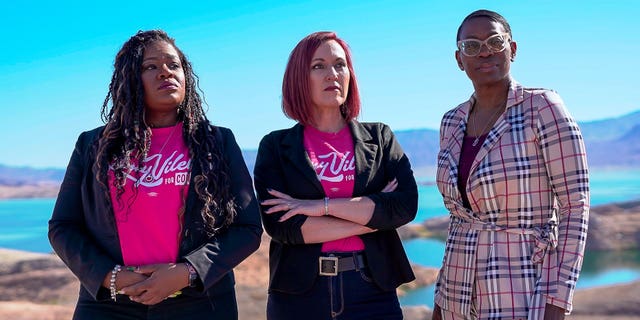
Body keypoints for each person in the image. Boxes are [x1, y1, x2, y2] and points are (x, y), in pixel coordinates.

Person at [48, 30, 262, 320]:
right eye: (151, 66)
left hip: (200, 303)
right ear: (130, 80)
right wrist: (111, 277)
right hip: (110, 304)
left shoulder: (218, 142)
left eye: (173, 65)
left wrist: (188, 271)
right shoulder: (93, 145)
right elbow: (63, 226)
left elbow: (246, 229)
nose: (165, 72)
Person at [432, 10, 590, 320]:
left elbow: (575, 206)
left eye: (494, 41)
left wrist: (558, 300)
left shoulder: (542, 108)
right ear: (459, 59)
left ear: (512, 49)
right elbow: (459, 219)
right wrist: (440, 299)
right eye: (472, 46)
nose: (485, 51)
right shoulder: (451, 122)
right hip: (456, 286)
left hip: (522, 286)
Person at [253, 31, 419, 320]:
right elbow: (283, 227)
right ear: (299, 78)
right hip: (299, 297)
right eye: (318, 66)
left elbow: (404, 207)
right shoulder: (276, 146)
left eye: (340, 65)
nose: (332, 74)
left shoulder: (379, 137)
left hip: (372, 291)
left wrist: (320, 207)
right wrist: (374, 218)